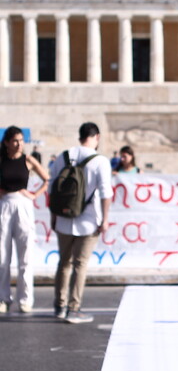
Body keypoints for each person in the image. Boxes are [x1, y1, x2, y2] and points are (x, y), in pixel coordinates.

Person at [49, 123, 112, 324]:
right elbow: (105, 193)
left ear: (80, 136)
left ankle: (59, 305)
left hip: (63, 219)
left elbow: (52, 188)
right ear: (97, 137)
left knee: (63, 262)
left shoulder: (64, 156)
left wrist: (53, 215)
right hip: (89, 219)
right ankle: (74, 308)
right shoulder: (100, 161)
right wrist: (105, 218)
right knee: (80, 264)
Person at [0, 127, 49, 314]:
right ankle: (3, 297)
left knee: (25, 255)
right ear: (7, 142)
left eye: (21, 140)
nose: (19, 144)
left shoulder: (28, 160)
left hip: (23, 205)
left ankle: (25, 298)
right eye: (15, 140)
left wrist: (34, 194)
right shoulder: (2, 160)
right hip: (4, 204)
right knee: (2, 255)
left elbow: (47, 178)